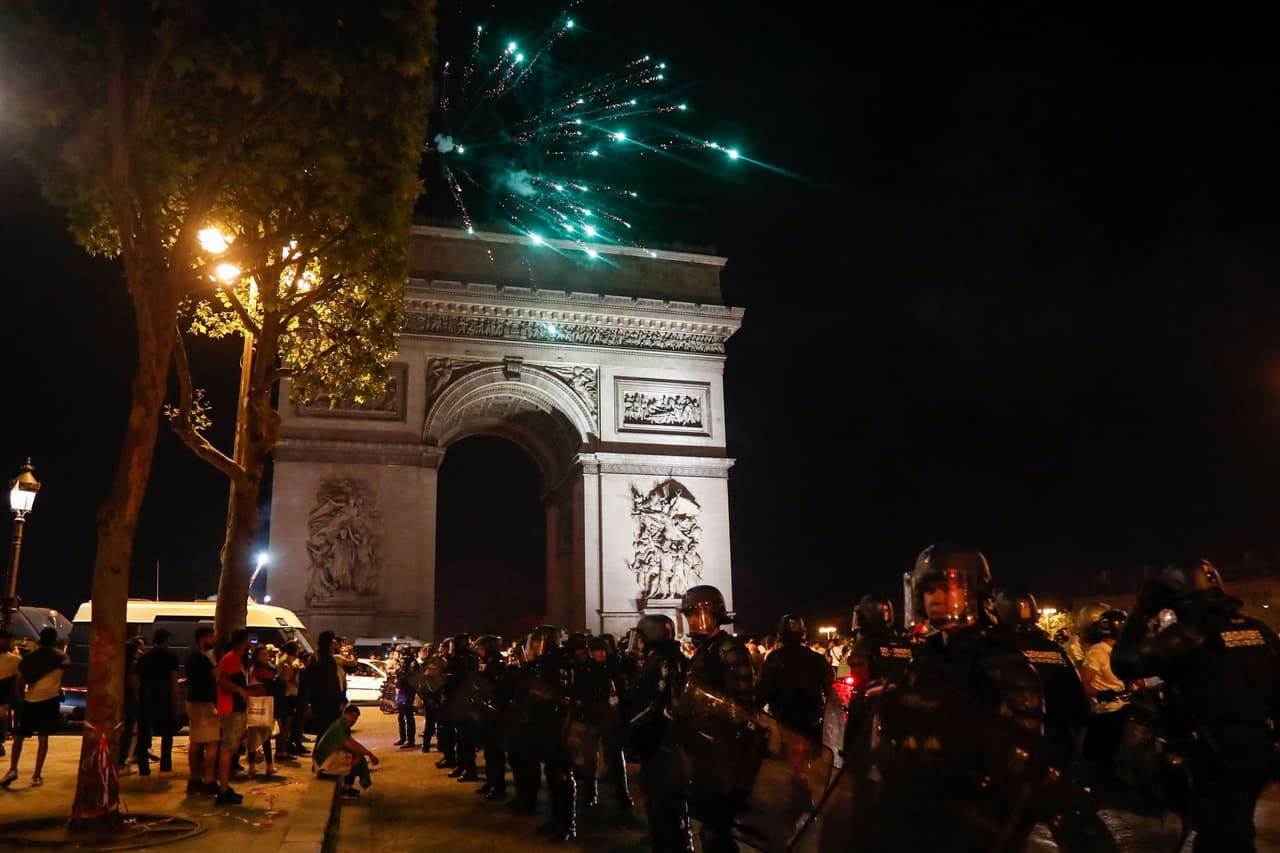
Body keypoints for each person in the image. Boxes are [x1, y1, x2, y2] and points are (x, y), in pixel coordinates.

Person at [1113, 558, 1280, 852]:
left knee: (1222, 838)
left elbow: (1124, 662)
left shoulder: (1189, 635)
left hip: (1212, 752)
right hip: (1258, 748)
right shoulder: (1259, 630)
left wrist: (1143, 609)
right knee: (1236, 831)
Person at [678, 584, 754, 853]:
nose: (693, 621)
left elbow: (741, 706)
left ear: (715, 614)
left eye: (698, 614)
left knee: (716, 831)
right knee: (710, 826)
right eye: (689, 615)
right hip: (705, 748)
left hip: (722, 752)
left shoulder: (726, 649)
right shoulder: (707, 649)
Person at [623, 614, 691, 853]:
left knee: (664, 800)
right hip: (658, 740)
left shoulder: (663, 661)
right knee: (662, 800)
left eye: (640, 637)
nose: (637, 643)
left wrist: (630, 725)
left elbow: (659, 705)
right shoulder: (666, 658)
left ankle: (672, 845)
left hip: (660, 741)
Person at [994, 589, 1089, 756]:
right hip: (1058, 746)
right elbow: (1080, 706)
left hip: (1016, 749)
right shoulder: (1056, 650)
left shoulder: (997, 650)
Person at [1, 627, 68, 788]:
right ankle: (37, 775)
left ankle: (13, 769)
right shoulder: (62, 658)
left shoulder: (28, 659)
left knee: (19, 736)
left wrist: (23, 697)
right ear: (54, 640)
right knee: (43, 738)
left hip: (30, 700)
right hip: (49, 702)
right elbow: (63, 678)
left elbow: (20, 682)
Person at [757, 614, 831, 744]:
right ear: (802, 633)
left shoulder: (774, 658)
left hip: (783, 725)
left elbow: (763, 691)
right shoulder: (817, 658)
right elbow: (831, 691)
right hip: (812, 725)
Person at [1080, 608, 1131, 777]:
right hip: (1106, 714)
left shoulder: (1123, 651)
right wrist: (1101, 694)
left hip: (1126, 709)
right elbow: (1084, 684)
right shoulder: (1097, 652)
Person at [134, 628, 181, 776]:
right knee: (167, 734)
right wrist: (176, 701)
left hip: (146, 698)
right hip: (164, 699)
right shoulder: (171, 657)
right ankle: (165, 766)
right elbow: (174, 681)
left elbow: (136, 681)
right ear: (166, 640)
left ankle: (144, 768)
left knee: (143, 734)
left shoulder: (144, 657)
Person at [214, 629, 252, 805]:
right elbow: (221, 680)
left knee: (230, 747)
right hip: (230, 708)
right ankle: (223, 788)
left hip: (235, 707)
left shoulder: (236, 659)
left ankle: (225, 786)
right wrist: (239, 690)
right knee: (228, 748)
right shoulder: (230, 658)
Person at [314, 703, 379, 799]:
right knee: (358, 760)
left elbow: (351, 743)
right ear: (345, 714)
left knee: (357, 755)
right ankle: (346, 789)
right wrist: (369, 753)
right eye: (351, 716)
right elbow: (350, 744)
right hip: (323, 764)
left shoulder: (342, 724)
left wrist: (365, 752)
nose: (353, 720)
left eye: (355, 718)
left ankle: (347, 786)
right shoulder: (340, 726)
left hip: (325, 759)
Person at [184, 625, 220, 795]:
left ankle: (194, 779)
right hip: (204, 703)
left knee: (196, 740)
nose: (213, 640)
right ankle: (209, 779)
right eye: (211, 637)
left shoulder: (191, 657)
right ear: (203, 638)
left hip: (193, 701)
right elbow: (214, 678)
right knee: (212, 741)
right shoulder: (203, 659)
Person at [246, 643, 278, 777]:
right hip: (260, 703)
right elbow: (272, 677)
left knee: (255, 736)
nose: (266, 656)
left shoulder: (255, 667)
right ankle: (266, 766)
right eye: (263, 654)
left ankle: (256, 766)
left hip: (258, 703)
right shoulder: (258, 669)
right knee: (262, 735)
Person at [307, 631, 344, 737]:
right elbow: (332, 682)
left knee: (323, 730)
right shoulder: (327, 659)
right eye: (333, 641)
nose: (336, 643)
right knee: (328, 731)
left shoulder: (316, 657)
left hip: (318, 699)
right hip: (328, 700)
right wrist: (340, 699)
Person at [0, 629, 19, 758]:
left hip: (4, 697)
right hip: (5, 697)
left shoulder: (14, 660)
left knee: (2, 718)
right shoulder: (14, 660)